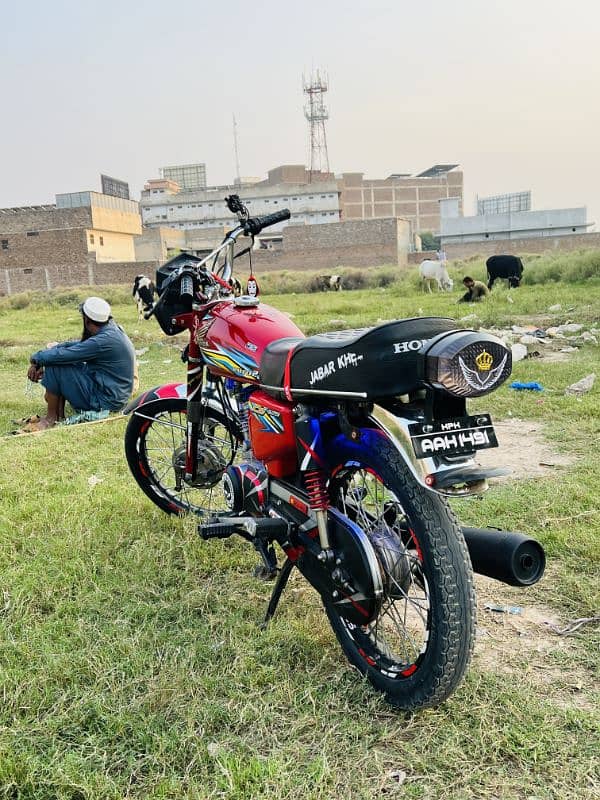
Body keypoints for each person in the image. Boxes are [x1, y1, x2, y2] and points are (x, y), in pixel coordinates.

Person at [26, 296, 136, 430]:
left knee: (55, 362)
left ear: (87, 320)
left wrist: (35, 359)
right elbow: (77, 346)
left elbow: (66, 355)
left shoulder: (102, 341)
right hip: (113, 394)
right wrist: (54, 349)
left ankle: (51, 419)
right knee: (56, 358)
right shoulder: (111, 330)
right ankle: (59, 414)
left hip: (105, 401)